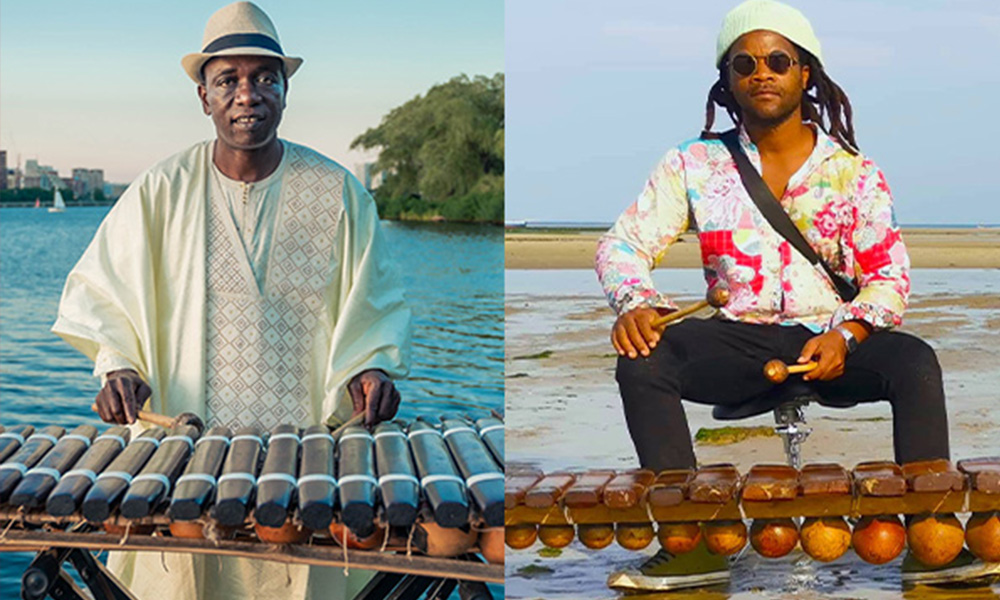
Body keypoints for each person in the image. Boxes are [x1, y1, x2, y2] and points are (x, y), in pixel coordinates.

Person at [595, 0, 977, 591]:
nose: (762, 73)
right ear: (726, 82)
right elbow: (622, 245)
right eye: (744, 63)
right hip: (738, 341)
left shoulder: (855, 173)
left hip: (832, 339)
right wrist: (635, 303)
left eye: (779, 59)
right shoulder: (694, 165)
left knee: (915, 361)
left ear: (806, 73)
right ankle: (693, 545)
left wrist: (847, 334)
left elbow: (888, 278)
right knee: (645, 359)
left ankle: (933, 543)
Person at [52, 3, 410, 599]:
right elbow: (100, 291)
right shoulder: (160, 190)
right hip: (186, 456)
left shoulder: (338, 192)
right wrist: (117, 364)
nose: (249, 95)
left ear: (286, 91)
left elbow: (373, 302)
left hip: (304, 457)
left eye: (265, 78)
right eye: (229, 81)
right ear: (204, 96)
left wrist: (368, 367)